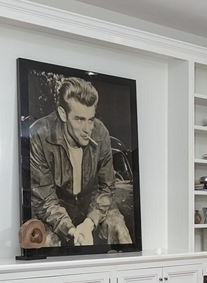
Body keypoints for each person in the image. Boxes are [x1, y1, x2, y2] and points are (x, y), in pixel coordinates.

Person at [28, 76, 131, 247]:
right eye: (79, 120)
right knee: (45, 241)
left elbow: (106, 187)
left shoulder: (100, 132)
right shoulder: (39, 134)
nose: (87, 129)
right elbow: (44, 199)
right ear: (63, 114)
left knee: (118, 227)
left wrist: (89, 223)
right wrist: (72, 230)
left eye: (90, 119)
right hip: (56, 204)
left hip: (89, 203)